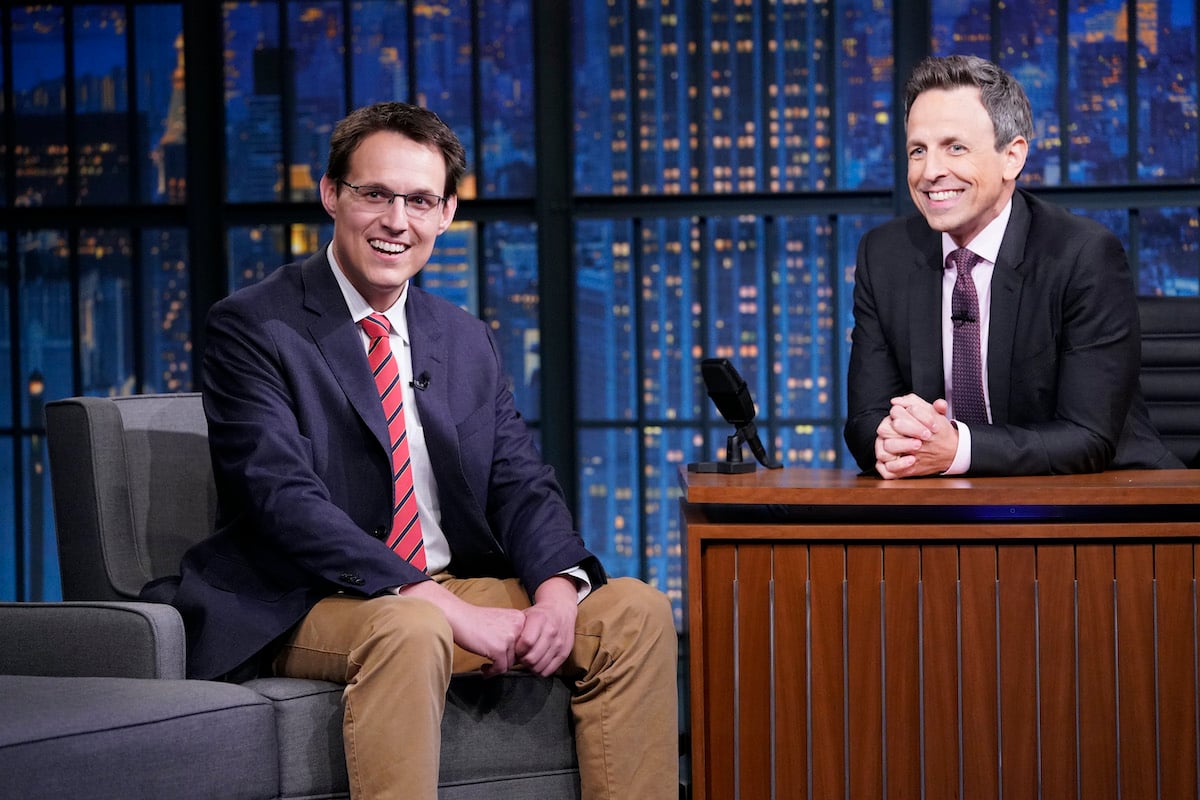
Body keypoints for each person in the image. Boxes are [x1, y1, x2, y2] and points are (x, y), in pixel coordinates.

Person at [148, 102, 678, 799]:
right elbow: (280, 497)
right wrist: (444, 607)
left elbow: (521, 484)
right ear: (332, 194)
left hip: (442, 586)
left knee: (633, 611)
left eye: (420, 200)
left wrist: (555, 597)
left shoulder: (463, 337)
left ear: (446, 213)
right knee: (411, 625)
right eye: (376, 194)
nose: (397, 220)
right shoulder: (255, 324)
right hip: (306, 598)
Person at [844, 54, 1182, 479]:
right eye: (918, 151)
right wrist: (893, 438)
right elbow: (864, 419)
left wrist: (956, 448)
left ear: (1013, 157)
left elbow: (1088, 437)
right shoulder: (884, 255)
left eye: (956, 148)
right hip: (942, 506)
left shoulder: (1082, 255)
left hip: (1108, 503)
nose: (930, 172)